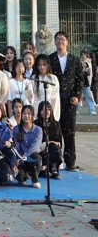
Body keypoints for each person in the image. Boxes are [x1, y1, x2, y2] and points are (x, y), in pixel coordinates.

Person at [49, 31, 83, 171]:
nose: (60, 42)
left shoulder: (74, 60)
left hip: (70, 101)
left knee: (69, 132)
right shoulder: (50, 59)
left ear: (67, 42)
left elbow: (80, 80)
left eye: (62, 39)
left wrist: (77, 96)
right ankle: (57, 161)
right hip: (54, 101)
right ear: (54, 42)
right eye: (57, 39)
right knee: (55, 132)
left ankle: (70, 162)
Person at [13, 105, 43, 189]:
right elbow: (16, 146)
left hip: (31, 158)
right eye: (24, 113)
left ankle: (35, 180)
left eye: (29, 114)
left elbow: (35, 147)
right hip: (20, 160)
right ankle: (25, 175)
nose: (26, 116)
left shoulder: (38, 130)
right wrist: (17, 159)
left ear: (33, 116)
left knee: (35, 157)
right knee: (20, 177)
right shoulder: (16, 129)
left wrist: (24, 157)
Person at [35, 101, 63, 180]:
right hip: (40, 151)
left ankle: (54, 169)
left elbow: (59, 143)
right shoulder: (35, 124)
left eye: (47, 110)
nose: (45, 112)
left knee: (53, 146)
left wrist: (48, 143)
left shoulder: (56, 124)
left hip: (52, 151)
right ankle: (43, 167)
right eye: (42, 110)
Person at [33, 54, 61, 121]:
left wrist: (51, 111)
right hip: (37, 109)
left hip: (49, 108)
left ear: (48, 65)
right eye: (39, 65)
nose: (42, 67)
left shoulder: (53, 78)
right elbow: (32, 97)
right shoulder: (33, 78)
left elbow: (55, 96)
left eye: (44, 65)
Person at [80, 50, 97, 115]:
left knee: (88, 96)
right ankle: (75, 110)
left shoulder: (85, 63)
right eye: (83, 55)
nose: (84, 56)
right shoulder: (77, 62)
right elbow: (77, 71)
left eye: (85, 55)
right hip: (79, 82)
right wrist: (84, 70)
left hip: (85, 81)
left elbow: (88, 73)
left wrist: (87, 71)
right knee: (77, 96)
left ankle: (91, 110)